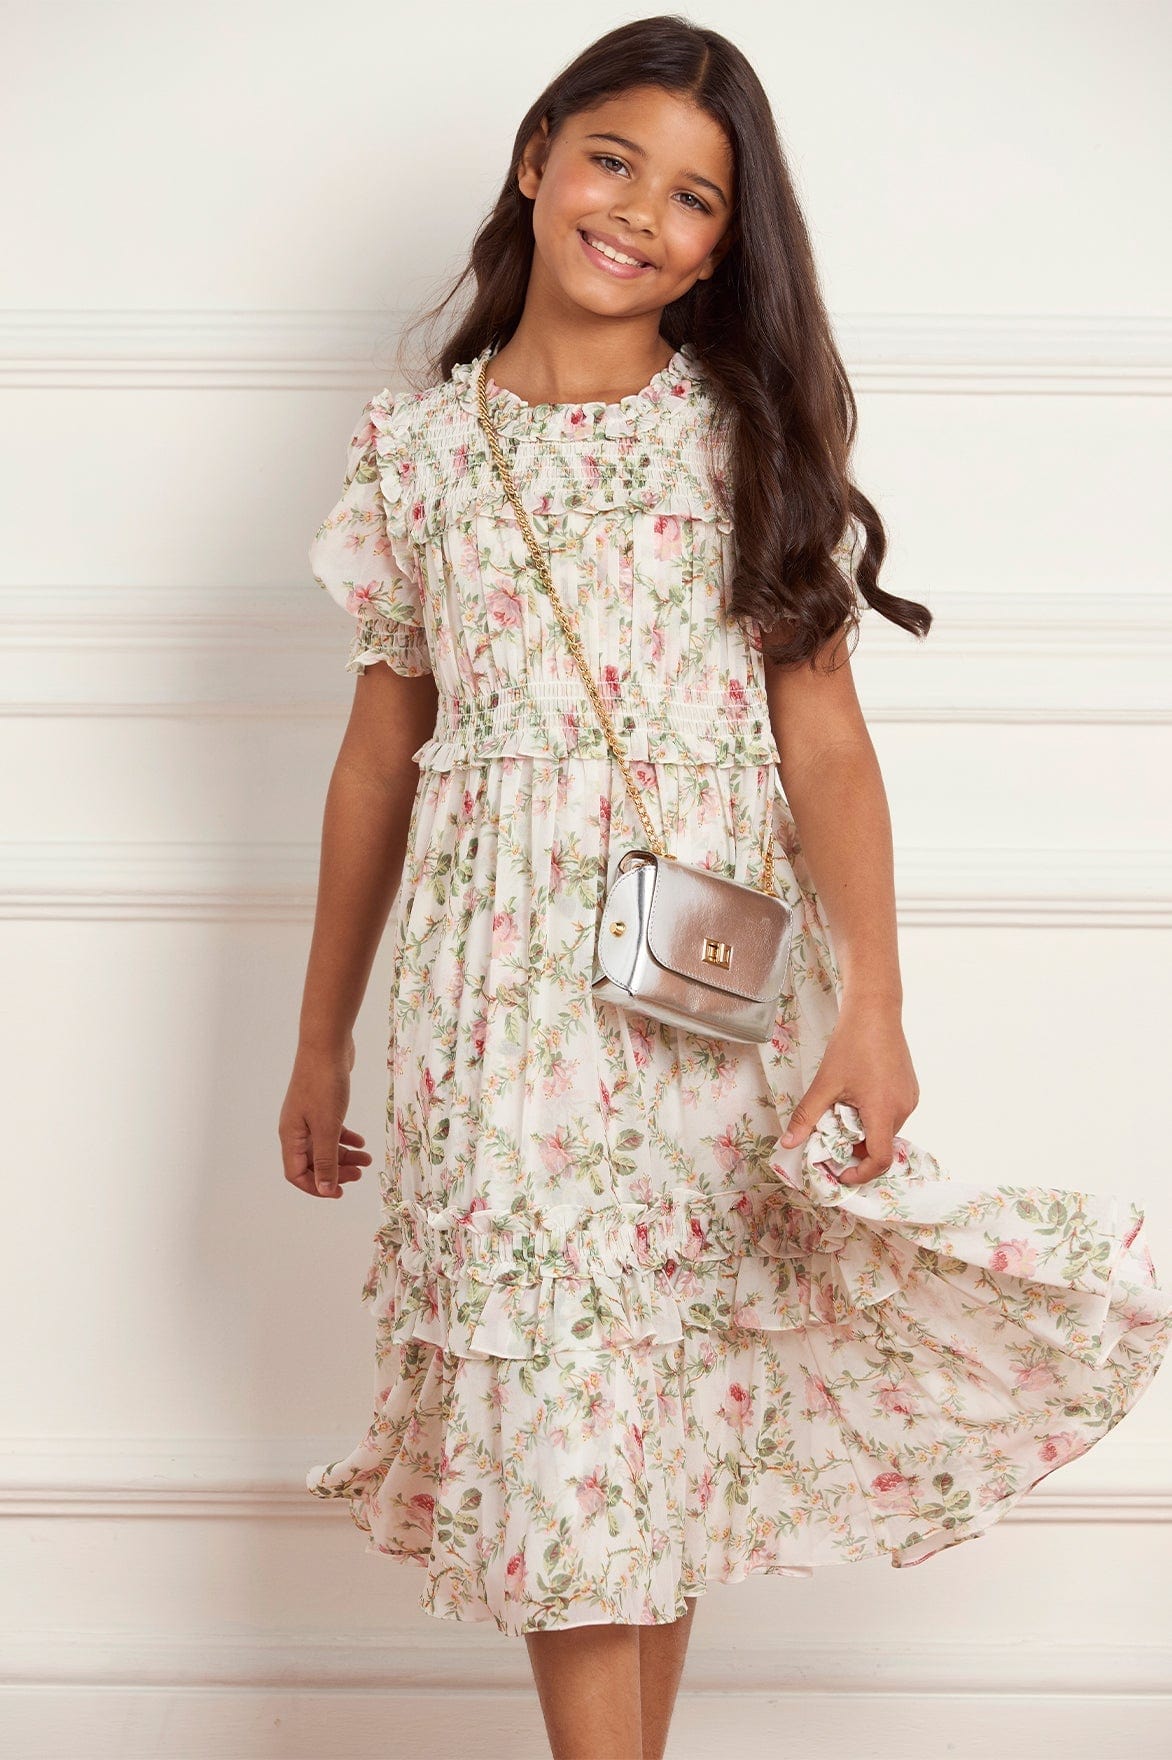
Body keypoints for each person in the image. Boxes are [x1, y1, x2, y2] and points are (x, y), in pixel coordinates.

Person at [280, 17, 1172, 1759]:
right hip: (494, 1017)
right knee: (559, 1412)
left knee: (648, 1418)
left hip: (699, 1007)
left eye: (694, 198)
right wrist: (320, 1040)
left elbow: (824, 741)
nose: (640, 212)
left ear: (720, 248)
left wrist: (878, 1007)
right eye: (613, 160)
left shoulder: (741, 438)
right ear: (536, 160)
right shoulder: (416, 458)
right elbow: (377, 761)